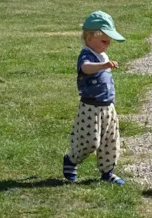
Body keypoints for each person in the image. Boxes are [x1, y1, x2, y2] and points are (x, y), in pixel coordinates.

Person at [62, 10, 126, 185]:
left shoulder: (102, 53)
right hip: (91, 107)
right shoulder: (87, 55)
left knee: (110, 140)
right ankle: (71, 159)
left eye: (109, 42)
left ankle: (107, 171)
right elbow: (86, 68)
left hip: (107, 106)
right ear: (90, 38)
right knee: (90, 141)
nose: (108, 45)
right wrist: (104, 65)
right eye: (104, 41)